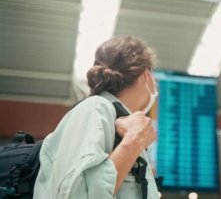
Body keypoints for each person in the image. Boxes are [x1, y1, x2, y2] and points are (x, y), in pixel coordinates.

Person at [33, 36, 160, 199]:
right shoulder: (96, 108)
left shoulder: (119, 122)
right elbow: (77, 194)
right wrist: (134, 141)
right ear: (145, 76)